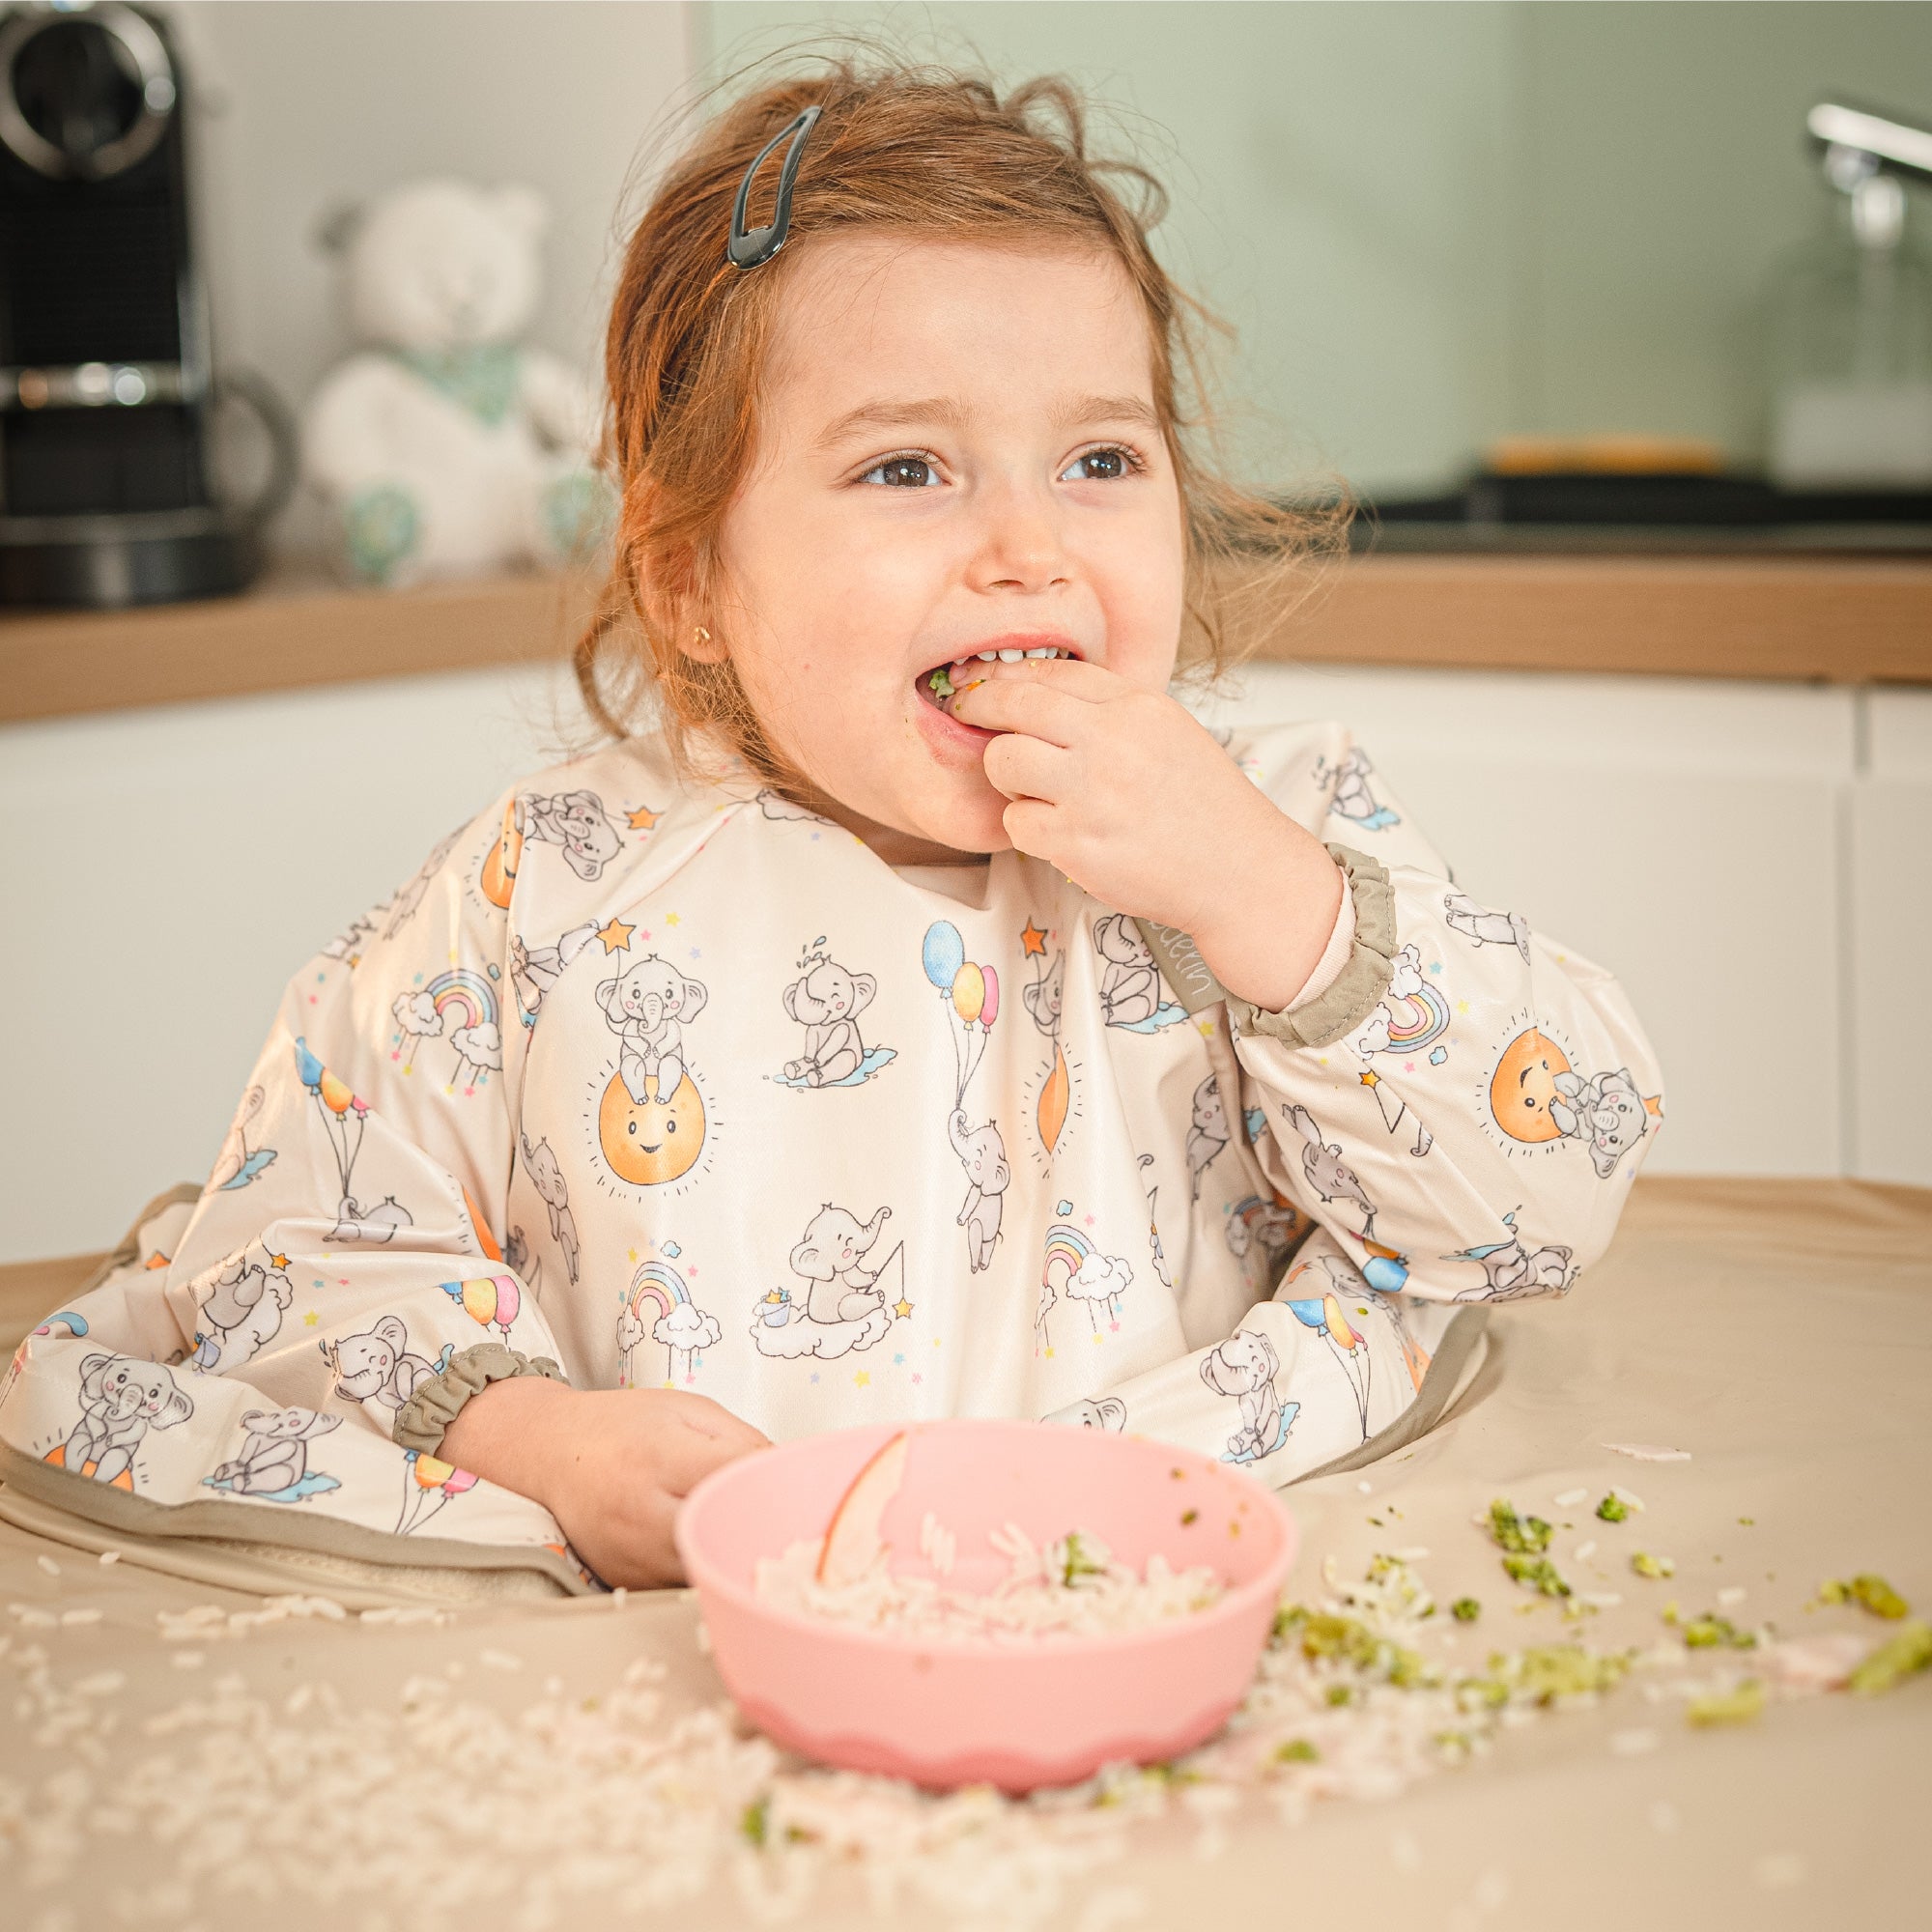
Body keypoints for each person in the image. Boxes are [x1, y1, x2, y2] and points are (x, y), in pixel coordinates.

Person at [0, 60, 1662, 1592]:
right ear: (689, 581)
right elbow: (294, 1246)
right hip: (676, 1681)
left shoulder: (1275, 838)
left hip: (1160, 1615)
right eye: (906, 472)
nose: (1029, 546)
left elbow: (1550, 1179)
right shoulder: (552, 892)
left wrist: (1264, 897)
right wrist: (543, 1442)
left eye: (1099, 456)